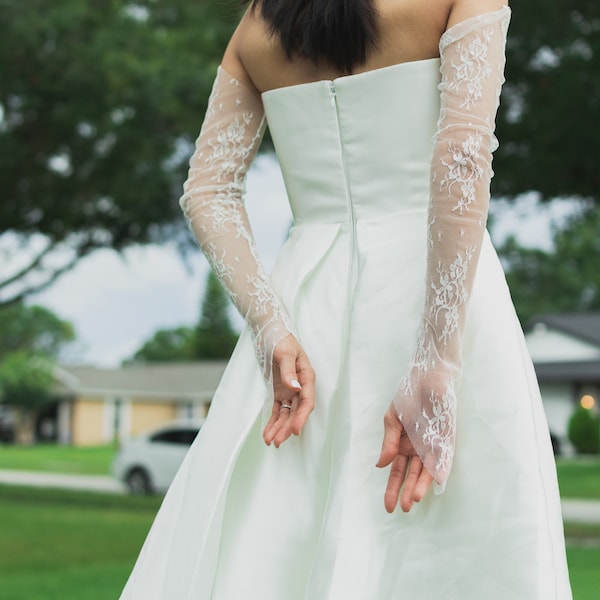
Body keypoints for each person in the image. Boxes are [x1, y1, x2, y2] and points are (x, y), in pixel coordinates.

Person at [120, 0, 572, 597]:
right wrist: (437, 359)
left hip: (307, 314)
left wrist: (271, 327)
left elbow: (208, 190)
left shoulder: (257, 25)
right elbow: (461, 160)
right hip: (443, 297)